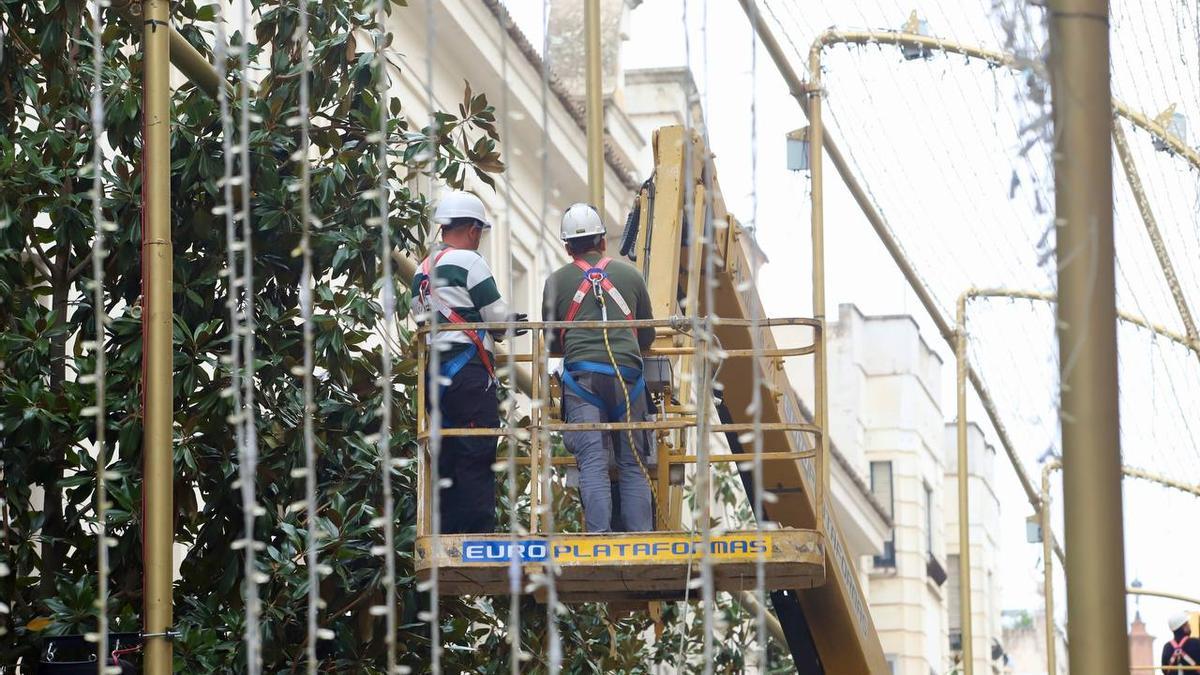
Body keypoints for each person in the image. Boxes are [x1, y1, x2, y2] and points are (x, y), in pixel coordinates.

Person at [411, 191, 524, 534]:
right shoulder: (469, 262)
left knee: (446, 454)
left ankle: (445, 532)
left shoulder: (422, 270)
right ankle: (477, 535)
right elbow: (496, 316)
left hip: (433, 376)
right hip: (468, 374)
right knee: (476, 451)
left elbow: (418, 316)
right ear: (474, 230)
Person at [541, 203, 656, 533]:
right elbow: (646, 335)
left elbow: (550, 343)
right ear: (603, 241)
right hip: (628, 379)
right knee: (633, 462)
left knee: (592, 461)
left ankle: (598, 536)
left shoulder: (556, 282)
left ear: (567, 247)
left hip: (583, 381)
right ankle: (640, 540)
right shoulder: (631, 276)